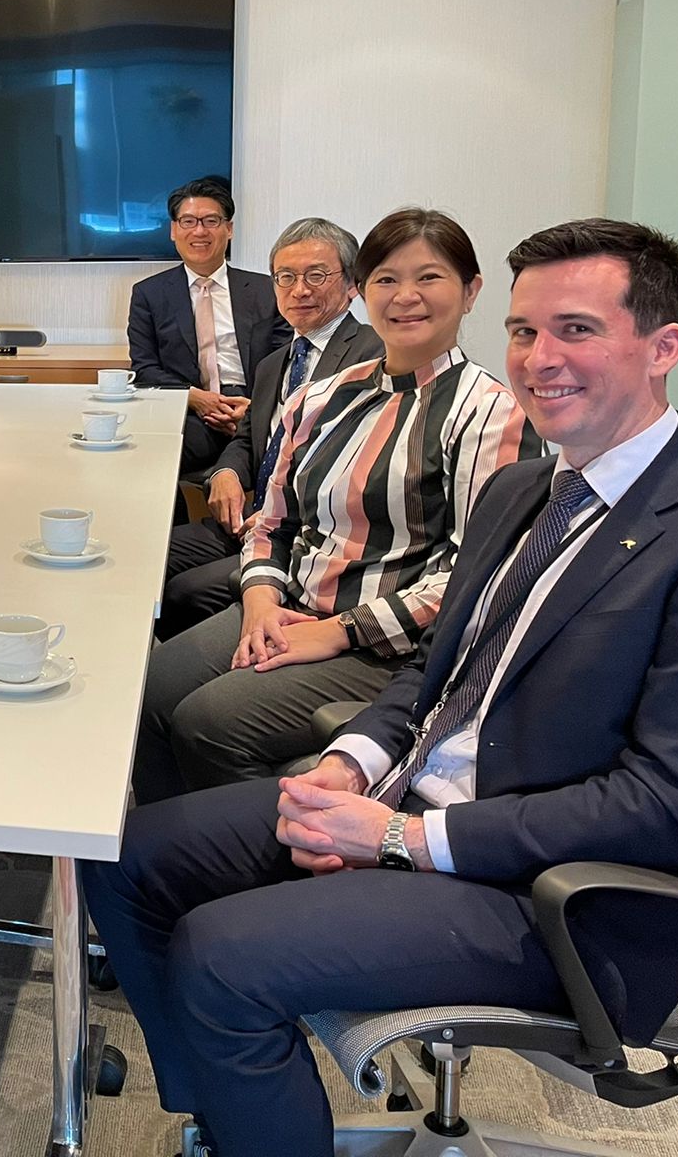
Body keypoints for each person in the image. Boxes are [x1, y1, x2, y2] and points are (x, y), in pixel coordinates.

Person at [82, 219, 678, 1157]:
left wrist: (400, 839)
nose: (540, 359)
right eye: (524, 331)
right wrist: (350, 765)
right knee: (126, 855)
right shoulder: (527, 492)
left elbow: (668, 811)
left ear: (662, 346)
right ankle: (224, 1114)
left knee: (220, 955)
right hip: (416, 801)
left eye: (577, 330)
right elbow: (437, 672)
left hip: (553, 898)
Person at [136, 209, 538, 800]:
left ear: (471, 291)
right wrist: (260, 599)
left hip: (384, 644)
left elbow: (477, 576)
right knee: (145, 692)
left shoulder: (491, 413)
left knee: (208, 722)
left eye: (428, 277)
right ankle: (160, 838)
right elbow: (275, 521)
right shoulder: (321, 397)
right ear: (364, 290)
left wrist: (339, 632)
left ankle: (264, 843)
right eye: (386, 279)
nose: (405, 296)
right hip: (287, 605)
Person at [157, 218, 380, 640]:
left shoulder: (372, 355)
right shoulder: (274, 363)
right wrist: (226, 472)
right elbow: (249, 437)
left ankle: (226, 665)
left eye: (316, 275)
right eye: (286, 277)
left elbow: (360, 464)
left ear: (352, 284)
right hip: (251, 520)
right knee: (150, 553)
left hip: (307, 532)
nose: (300, 290)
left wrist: (282, 508)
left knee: (183, 593)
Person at [127, 177, 290, 472]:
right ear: (173, 230)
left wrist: (254, 409)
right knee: (148, 455)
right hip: (190, 413)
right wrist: (195, 398)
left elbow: (286, 359)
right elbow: (144, 368)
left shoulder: (267, 290)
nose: (199, 231)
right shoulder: (149, 294)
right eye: (188, 221)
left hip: (257, 408)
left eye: (211, 221)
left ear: (229, 229)